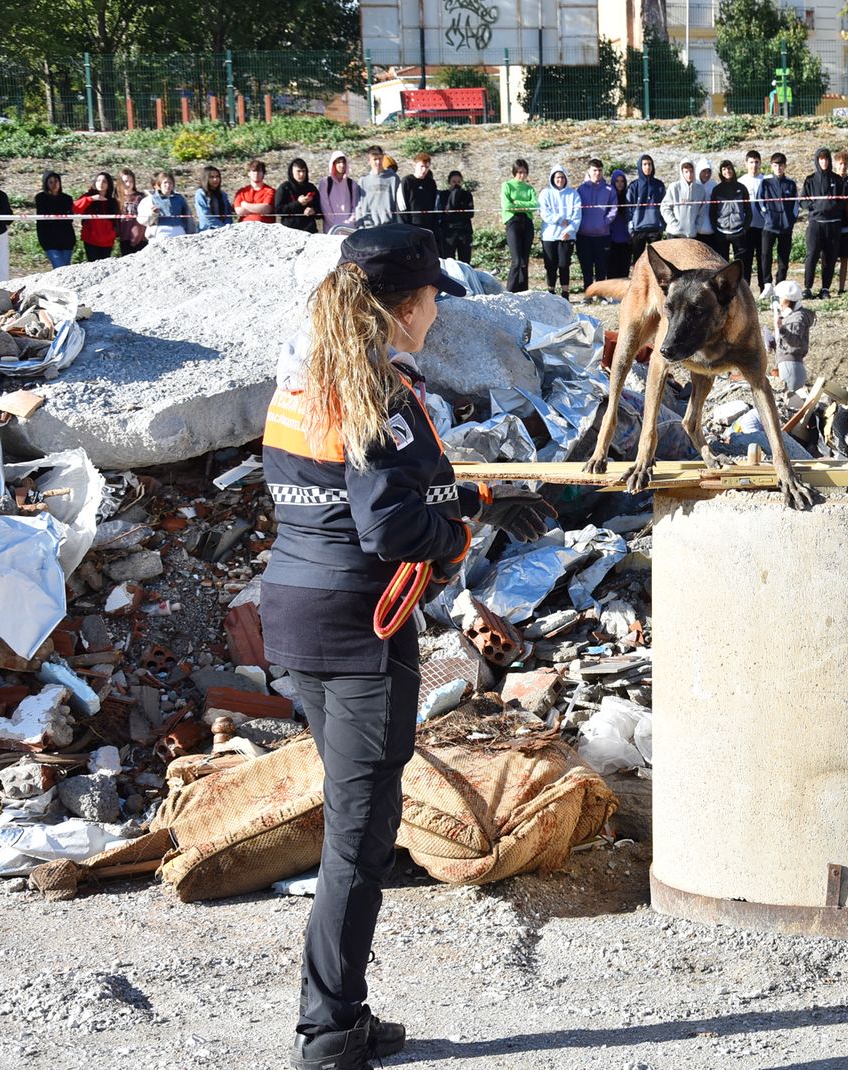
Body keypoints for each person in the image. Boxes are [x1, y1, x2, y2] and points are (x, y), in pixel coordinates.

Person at [262, 222, 554, 1070]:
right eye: (431, 300)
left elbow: (347, 489)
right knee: (359, 837)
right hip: (360, 632)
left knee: (356, 825)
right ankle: (328, 1034)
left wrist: (468, 492)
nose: (435, 314)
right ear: (405, 307)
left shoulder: (314, 382)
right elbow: (388, 523)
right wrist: (456, 533)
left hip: (302, 616)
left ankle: (340, 1011)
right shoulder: (378, 396)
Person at [800, 147, 848, 298]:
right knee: (812, 255)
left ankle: (825, 289)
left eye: (826, 159)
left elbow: (844, 201)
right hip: (815, 223)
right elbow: (802, 201)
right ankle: (807, 288)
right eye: (821, 159)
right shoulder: (810, 180)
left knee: (830, 257)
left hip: (833, 224)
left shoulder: (837, 180)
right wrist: (814, 207)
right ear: (817, 160)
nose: (824, 162)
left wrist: (833, 206)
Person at [538, 167, 581, 298]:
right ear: (552, 178)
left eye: (562, 177)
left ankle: (565, 292)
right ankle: (550, 291)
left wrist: (570, 230)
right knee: (550, 265)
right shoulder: (545, 193)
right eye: (557, 177)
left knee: (564, 264)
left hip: (566, 237)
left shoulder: (573, 194)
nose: (560, 180)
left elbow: (577, 215)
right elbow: (544, 213)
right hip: (549, 236)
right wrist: (559, 220)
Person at [576, 159, 618, 290]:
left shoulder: (609, 189)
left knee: (601, 266)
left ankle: (601, 294)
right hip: (584, 235)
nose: (597, 173)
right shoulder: (581, 189)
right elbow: (577, 210)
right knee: (586, 267)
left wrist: (604, 222)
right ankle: (588, 293)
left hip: (602, 234)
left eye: (600, 170)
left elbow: (614, 208)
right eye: (594, 170)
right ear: (589, 171)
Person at [758, 152, 798, 289]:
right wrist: (767, 217)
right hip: (769, 226)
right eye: (775, 165)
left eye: (781, 165)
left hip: (786, 228)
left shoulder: (791, 184)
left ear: (785, 166)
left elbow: (796, 205)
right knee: (765, 255)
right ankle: (767, 283)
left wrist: (791, 220)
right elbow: (760, 202)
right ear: (771, 166)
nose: (778, 168)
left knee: (783, 258)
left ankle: (780, 283)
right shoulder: (765, 183)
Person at [769, 279, 814, 391]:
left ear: (789, 300)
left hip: (791, 366)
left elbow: (795, 342)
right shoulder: (789, 317)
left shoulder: (797, 318)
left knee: (792, 401)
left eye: (779, 298)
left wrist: (781, 329)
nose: (778, 301)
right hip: (787, 365)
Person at [501, 159, 538, 292]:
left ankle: (523, 290)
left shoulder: (529, 189)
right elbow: (507, 206)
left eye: (524, 173)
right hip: (513, 222)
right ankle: (510, 291)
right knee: (516, 260)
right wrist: (524, 205)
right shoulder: (507, 185)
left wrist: (518, 203)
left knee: (524, 261)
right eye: (519, 172)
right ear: (514, 172)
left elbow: (534, 205)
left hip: (527, 223)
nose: (522, 176)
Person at [625, 154, 667, 264]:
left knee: (657, 262)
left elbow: (664, 206)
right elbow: (628, 208)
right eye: (644, 164)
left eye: (649, 164)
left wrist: (662, 225)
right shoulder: (634, 186)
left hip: (655, 229)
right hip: (638, 229)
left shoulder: (659, 185)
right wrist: (631, 227)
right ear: (640, 166)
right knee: (638, 262)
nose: (647, 167)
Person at [708, 159, 751, 264]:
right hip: (722, 232)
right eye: (724, 169)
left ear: (733, 170)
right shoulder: (717, 189)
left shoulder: (741, 188)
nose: (727, 171)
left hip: (738, 232)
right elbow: (712, 211)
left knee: (740, 264)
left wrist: (745, 228)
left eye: (729, 168)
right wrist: (715, 229)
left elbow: (748, 210)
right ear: (721, 172)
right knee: (723, 265)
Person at [34, 172, 76, 269]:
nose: (54, 184)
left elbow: (70, 219)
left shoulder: (67, 198)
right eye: (51, 182)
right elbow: (42, 219)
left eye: (56, 181)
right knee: (59, 267)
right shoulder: (41, 198)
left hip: (66, 239)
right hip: (50, 240)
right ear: (46, 184)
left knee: (66, 268)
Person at [739, 150, 768, 288]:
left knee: (763, 259)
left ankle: (764, 288)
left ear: (760, 163)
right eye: (751, 162)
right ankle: (746, 289)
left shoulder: (765, 181)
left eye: (757, 162)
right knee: (746, 260)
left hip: (763, 227)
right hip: (747, 228)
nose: (754, 165)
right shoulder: (741, 181)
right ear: (746, 164)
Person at [396, 154, 440, 243]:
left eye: (427, 167)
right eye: (422, 166)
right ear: (414, 165)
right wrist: (405, 229)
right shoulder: (406, 181)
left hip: (428, 228)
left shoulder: (431, 183)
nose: (424, 170)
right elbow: (401, 207)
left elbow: (434, 206)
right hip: (411, 227)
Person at [75, 172, 119, 259]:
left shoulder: (112, 201)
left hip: (107, 241)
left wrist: (113, 234)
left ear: (109, 184)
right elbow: (76, 208)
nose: (101, 183)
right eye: (98, 181)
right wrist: (91, 199)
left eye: (104, 181)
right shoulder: (87, 197)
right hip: (91, 239)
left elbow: (116, 221)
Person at [356, 147, 399, 229]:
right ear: (369, 161)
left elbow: (398, 205)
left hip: (390, 226)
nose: (378, 162)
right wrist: (360, 226)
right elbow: (359, 206)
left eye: (380, 158)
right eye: (375, 159)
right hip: (369, 227)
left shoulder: (393, 179)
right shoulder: (363, 181)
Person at [276, 159, 322, 234]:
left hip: (309, 230)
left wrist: (313, 210)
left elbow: (320, 210)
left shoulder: (311, 187)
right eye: (298, 171)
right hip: (289, 231)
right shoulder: (284, 188)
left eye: (304, 171)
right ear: (292, 172)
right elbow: (278, 210)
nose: (301, 174)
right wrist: (298, 203)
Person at [318, 153, 360, 234]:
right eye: (338, 162)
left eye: (344, 162)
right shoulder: (325, 183)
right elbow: (325, 207)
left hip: (349, 229)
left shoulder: (352, 184)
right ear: (333, 164)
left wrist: (349, 223)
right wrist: (337, 225)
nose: (342, 165)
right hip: (331, 230)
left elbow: (356, 207)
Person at [438, 171, 474, 263]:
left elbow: (470, 213)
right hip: (448, 232)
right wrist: (455, 194)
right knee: (449, 261)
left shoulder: (467, 195)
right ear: (449, 182)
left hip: (464, 231)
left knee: (465, 261)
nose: (456, 184)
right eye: (454, 182)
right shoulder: (443, 194)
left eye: (459, 182)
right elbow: (448, 211)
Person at [661, 159, 702, 239]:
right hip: (674, 233)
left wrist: (696, 226)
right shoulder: (674, 187)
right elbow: (664, 207)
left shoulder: (700, 190)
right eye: (686, 172)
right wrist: (674, 223)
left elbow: (701, 211)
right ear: (682, 172)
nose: (689, 174)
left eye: (691, 171)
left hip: (691, 234)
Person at [145, 171, 190, 240]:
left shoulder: (180, 198)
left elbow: (188, 216)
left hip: (179, 230)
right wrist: (154, 213)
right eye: (165, 183)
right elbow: (145, 221)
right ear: (159, 184)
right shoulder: (151, 199)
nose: (168, 185)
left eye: (170, 183)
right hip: (161, 231)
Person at [833, 151, 848, 293]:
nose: (843, 167)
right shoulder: (831, 181)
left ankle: (841, 288)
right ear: (835, 164)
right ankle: (825, 287)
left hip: (847, 226)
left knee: (845, 258)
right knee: (830, 258)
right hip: (832, 225)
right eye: (840, 164)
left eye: (845, 164)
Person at [116, 168, 148, 256]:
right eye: (125, 181)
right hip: (124, 237)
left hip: (141, 238)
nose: (128, 184)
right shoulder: (117, 198)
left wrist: (138, 234)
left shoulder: (140, 197)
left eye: (131, 181)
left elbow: (144, 219)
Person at [608, 168, 632, 278]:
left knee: (624, 271)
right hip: (612, 240)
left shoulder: (628, 197)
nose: (620, 184)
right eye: (617, 181)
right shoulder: (609, 197)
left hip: (626, 240)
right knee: (612, 270)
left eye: (622, 181)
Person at [192, 166, 231, 232]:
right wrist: (221, 227)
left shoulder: (223, 194)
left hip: (225, 230)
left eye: (217, 176)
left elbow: (228, 213)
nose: (215, 179)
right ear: (206, 179)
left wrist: (227, 225)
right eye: (211, 177)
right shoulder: (200, 193)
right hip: (207, 230)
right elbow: (205, 215)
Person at [693, 159, 718, 251]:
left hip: (711, 229)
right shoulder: (694, 184)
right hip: (696, 230)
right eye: (704, 171)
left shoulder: (713, 185)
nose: (706, 174)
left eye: (709, 171)